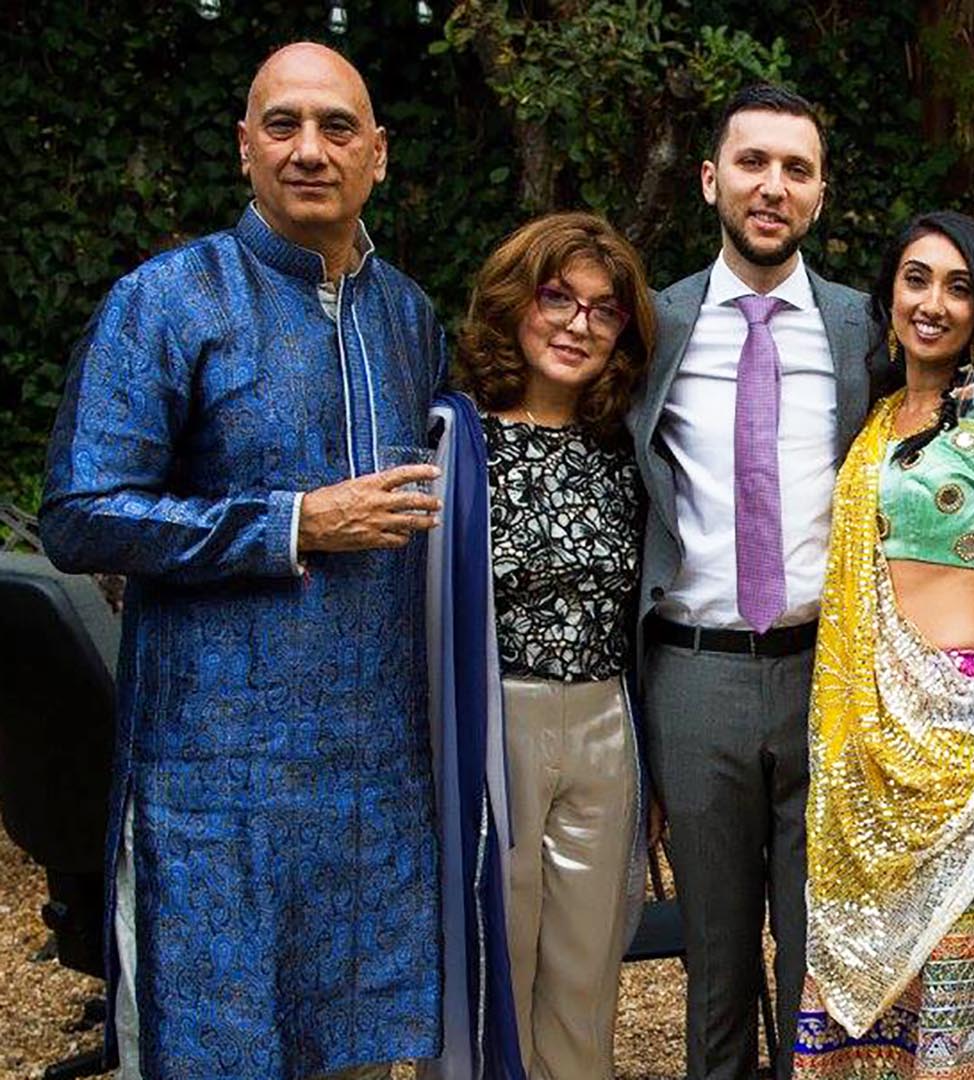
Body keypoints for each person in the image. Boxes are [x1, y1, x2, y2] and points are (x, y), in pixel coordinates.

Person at [627, 85, 974, 1080]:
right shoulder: (655, 327)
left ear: (820, 196)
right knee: (715, 962)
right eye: (752, 164)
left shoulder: (870, 325)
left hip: (839, 679)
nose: (771, 187)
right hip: (693, 677)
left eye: (797, 169)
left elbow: (962, 426)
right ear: (711, 180)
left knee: (830, 954)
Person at [40, 43, 442, 1080]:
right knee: (209, 1052)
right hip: (211, 784)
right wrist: (288, 524)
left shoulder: (408, 317)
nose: (310, 150)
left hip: (372, 791)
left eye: (337, 127)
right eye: (283, 125)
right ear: (245, 148)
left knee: (352, 1054)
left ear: (379, 155)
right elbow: (81, 515)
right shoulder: (164, 303)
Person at [794, 209, 974, 1078]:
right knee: (888, 988)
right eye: (917, 279)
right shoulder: (877, 420)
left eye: (959, 287)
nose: (934, 303)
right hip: (867, 749)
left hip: (970, 741)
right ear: (887, 295)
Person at [450, 212, 654, 1078]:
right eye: (556, 298)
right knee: (492, 964)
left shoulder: (626, 449)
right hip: (495, 720)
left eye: (603, 311)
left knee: (585, 970)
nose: (577, 324)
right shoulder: (457, 439)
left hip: (605, 722)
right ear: (512, 305)